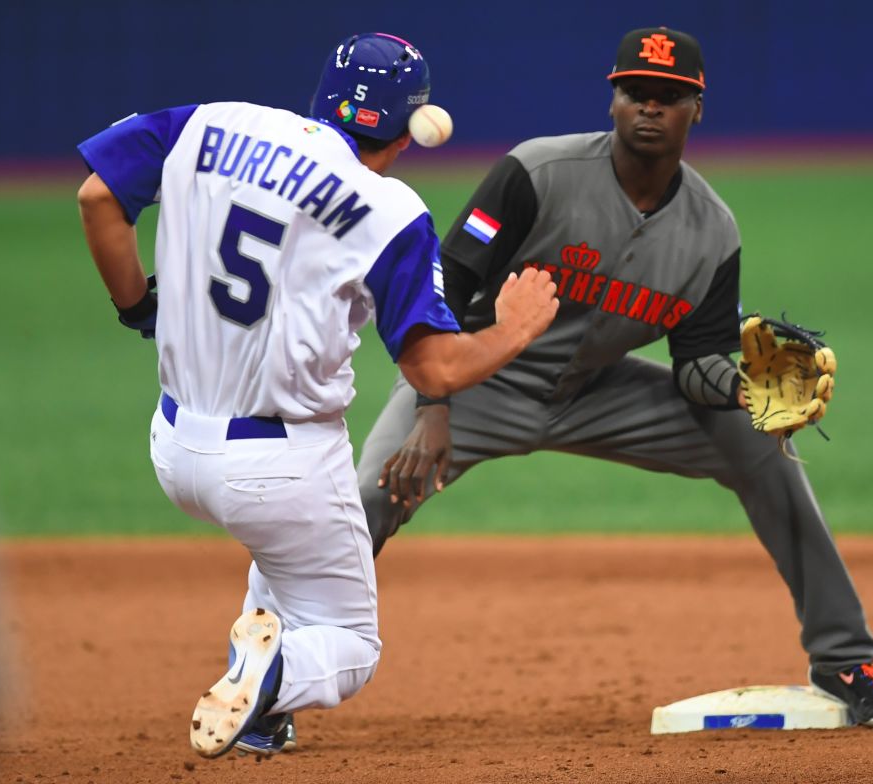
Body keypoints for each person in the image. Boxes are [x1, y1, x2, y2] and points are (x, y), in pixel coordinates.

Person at [356, 27, 873, 728]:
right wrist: (432, 406)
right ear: (613, 101)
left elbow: (696, 364)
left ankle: (843, 659)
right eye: (636, 94)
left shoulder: (713, 231)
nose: (651, 109)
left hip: (595, 392)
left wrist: (742, 391)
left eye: (670, 97)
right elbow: (442, 291)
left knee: (761, 442)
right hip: (474, 382)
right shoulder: (537, 173)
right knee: (367, 498)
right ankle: (268, 676)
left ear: (696, 110)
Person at [75, 32, 558, 758]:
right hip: (283, 464)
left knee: (286, 558)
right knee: (352, 644)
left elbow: (96, 195)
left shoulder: (209, 122)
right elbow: (434, 372)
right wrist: (513, 331)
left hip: (173, 446)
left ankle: (261, 719)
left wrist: (134, 304)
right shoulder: (388, 207)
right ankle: (272, 680)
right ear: (405, 133)